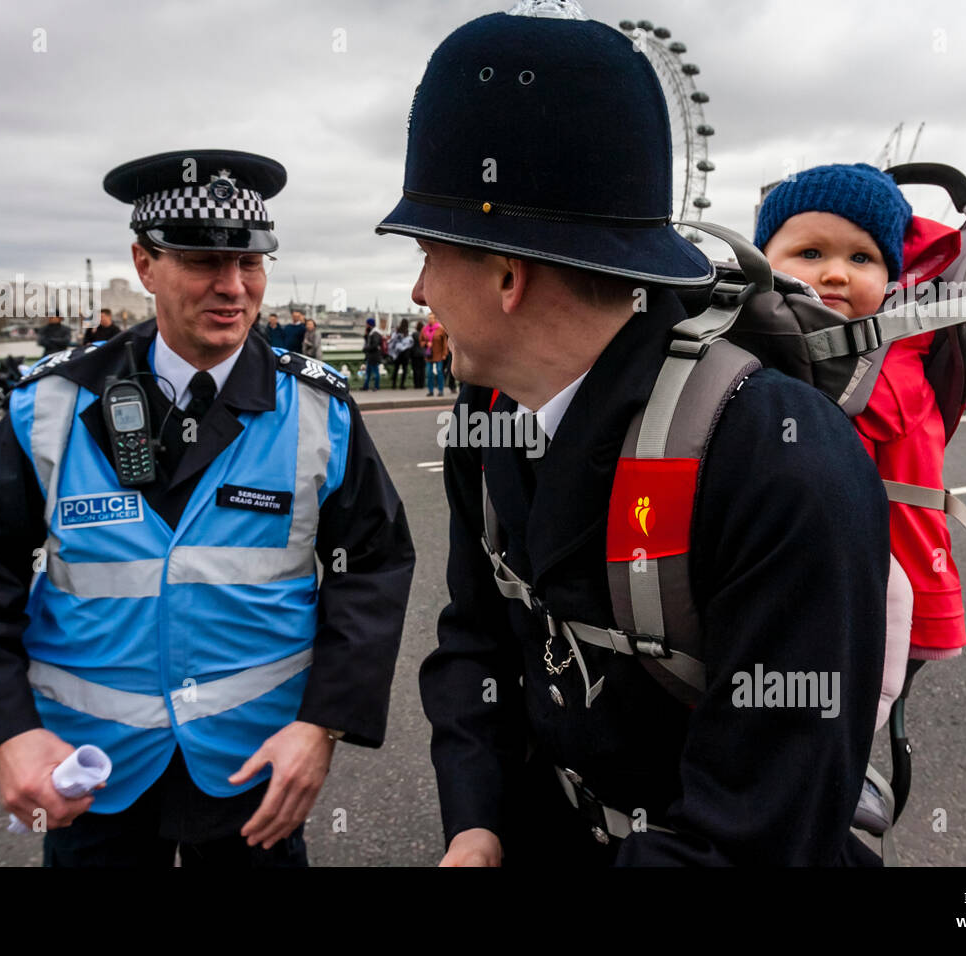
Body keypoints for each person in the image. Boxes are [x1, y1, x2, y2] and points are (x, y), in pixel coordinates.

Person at [379, 10, 886, 866]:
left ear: (509, 275)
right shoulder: (487, 411)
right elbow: (475, 637)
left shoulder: (782, 461)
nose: (420, 290)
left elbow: (759, 836)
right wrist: (478, 818)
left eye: (429, 251)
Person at [0, 149, 415, 868]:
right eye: (205, 262)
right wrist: (4, 731)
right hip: (92, 773)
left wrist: (324, 725)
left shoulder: (317, 408)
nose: (234, 288)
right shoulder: (49, 403)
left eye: (252, 264)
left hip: (253, 767)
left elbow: (375, 565)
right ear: (145, 265)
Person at [756, 163, 966, 661]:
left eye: (862, 257)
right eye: (810, 253)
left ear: (889, 278)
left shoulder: (890, 363)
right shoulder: (817, 346)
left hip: (900, 592)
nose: (835, 272)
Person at [420, 316, 448, 397]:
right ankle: (430, 390)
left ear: (435, 319)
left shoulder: (440, 329)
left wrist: (444, 354)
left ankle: (440, 390)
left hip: (439, 354)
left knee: (439, 371)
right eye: (429, 318)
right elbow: (421, 340)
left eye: (431, 318)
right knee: (429, 373)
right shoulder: (424, 329)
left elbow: (445, 343)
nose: (430, 320)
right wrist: (426, 343)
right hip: (429, 355)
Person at [388, 319, 414, 388]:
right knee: (404, 369)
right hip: (405, 353)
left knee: (396, 369)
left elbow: (392, 341)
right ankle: (402, 385)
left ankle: (394, 384)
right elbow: (410, 343)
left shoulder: (397, 331)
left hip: (397, 353)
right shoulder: (408, 332)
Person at [362, 318, 383, 391]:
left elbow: (375, 345)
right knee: (368, 372)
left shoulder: (375, 333)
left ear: (369, 324)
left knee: (375, 372)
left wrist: (366, 348)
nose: (366, 325)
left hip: (374, 356)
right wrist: (366, 333)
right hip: (370, 356)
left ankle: (376, 387)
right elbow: (367, 340)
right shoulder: (371, 332)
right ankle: (365, 386)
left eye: (367, 324)